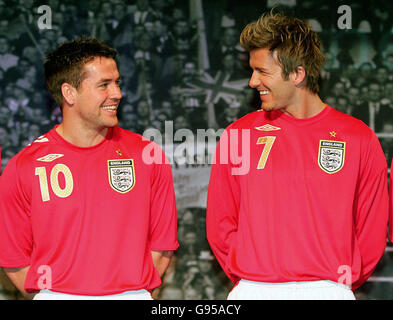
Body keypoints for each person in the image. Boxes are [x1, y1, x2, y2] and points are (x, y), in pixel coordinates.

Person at [206, 11, 388, 300]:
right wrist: (253, 275)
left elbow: (372, 227)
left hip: (329, 290)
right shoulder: (238, 135)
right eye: (252, 70)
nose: (253, 81)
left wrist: (337, 284)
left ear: (297, 74)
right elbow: (221, 224)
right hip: (255, 288)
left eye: (262, 72)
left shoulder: (358, 138)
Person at [0, 38, 178, 300]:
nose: (117, 93)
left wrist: (132, 291)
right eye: (104, 85)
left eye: (117, 82)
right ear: (69, 93)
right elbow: (14, 258)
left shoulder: (147, 156)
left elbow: (162, 245)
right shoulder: (23, 167)